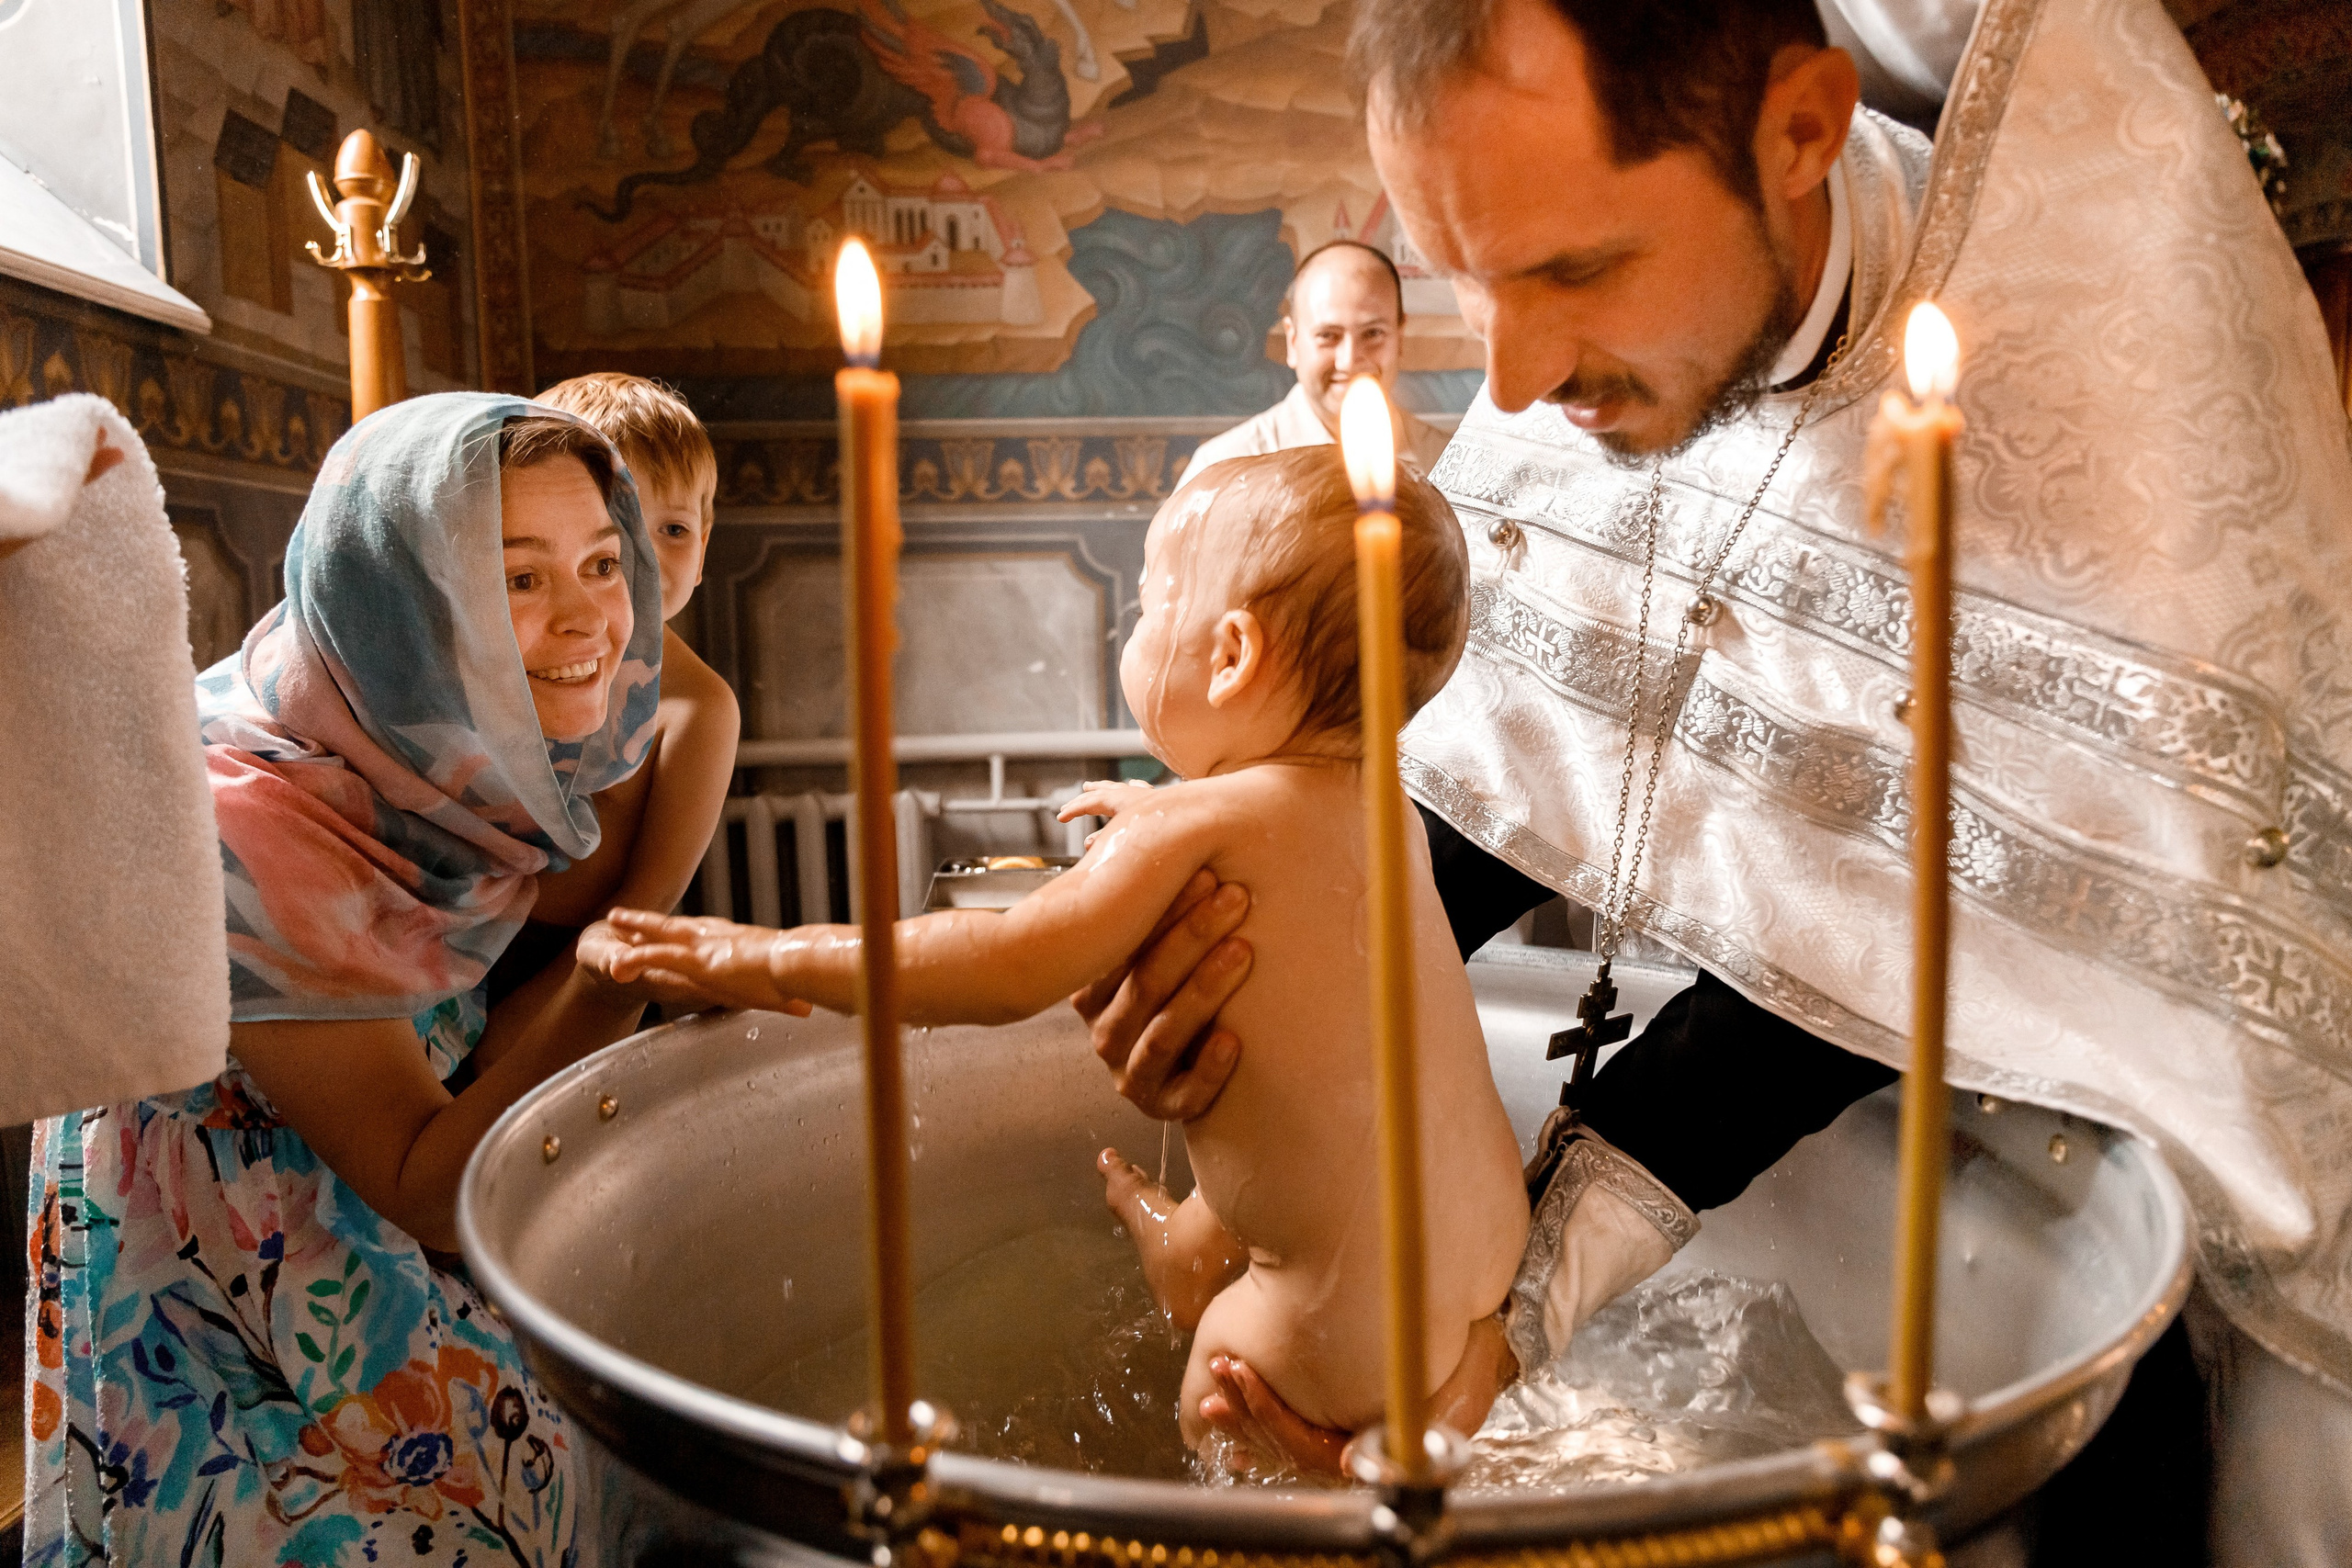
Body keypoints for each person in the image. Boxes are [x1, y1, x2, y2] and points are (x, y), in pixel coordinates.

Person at [1073, 0, 2352, 1558]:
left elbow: (1888, 914)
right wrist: (1240, 951)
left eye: (1573, 271)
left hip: (2067, 1211)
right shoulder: (1620, 308)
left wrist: (1510, 1316)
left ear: (1801, 132)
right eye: (1464, 275)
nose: (1513, 382)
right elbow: (1496, 759)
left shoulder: (2101, 430)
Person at [598, 447, 1530, 1450]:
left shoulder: (1194, 831)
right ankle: (1186, 1251)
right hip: (1479, 1275)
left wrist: (766, 955)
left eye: (1149, 609)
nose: (1136, 629)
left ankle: (1220, 1360)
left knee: (1220, 1439)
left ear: (1230, 657)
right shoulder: (1390, 816)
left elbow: (1006, 965)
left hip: (1323, 1328)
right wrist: (1163, 818)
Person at [22, 394, 711, 1566]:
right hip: (233, 1330)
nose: (592, 616)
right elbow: (422, 1184)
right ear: (400, 599)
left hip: (361, 1247)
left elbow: (470, 1027)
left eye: (605, 562)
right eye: (519, 577)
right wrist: (616, 981)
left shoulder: (409, 754)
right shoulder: (242, 828)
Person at [481, 373, 741, 1045]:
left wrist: (510, 1038)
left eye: (674, 528)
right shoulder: (503, 665)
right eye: (618, 528)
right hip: (449, 953)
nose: (644, 556)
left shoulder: (698, 710)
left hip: (583, 975)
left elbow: (644, 908)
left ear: (705, 545)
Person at [1176, 242, 1451, 487]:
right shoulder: (1220, 474)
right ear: (1293, 341)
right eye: (1328, 336)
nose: (1349, 361)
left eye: (1373, 334)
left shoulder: (1450, 467)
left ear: (1399, 337)